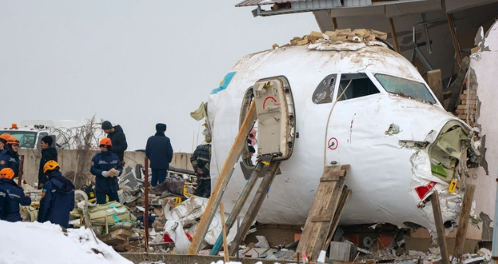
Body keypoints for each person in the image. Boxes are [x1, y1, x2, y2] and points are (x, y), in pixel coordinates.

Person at [37, 160, 75, 228]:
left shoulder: (48, 185)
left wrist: (39, 222)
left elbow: (44, 205)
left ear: (47, 173)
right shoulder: (70, 184)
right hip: (64, 223)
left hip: (50, 225)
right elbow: (71, 206)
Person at [90, 138, 122, 204]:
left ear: (108, 147)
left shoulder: (115, 157)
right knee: (101, 206)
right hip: (101, 186)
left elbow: (119, 167)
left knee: (115, 204)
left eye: (104, 147)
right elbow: (92, 169)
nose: (102, 149)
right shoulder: (97, 157)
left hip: (112, 186)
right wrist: (102, 173)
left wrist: (118, 172)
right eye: (101, 147)